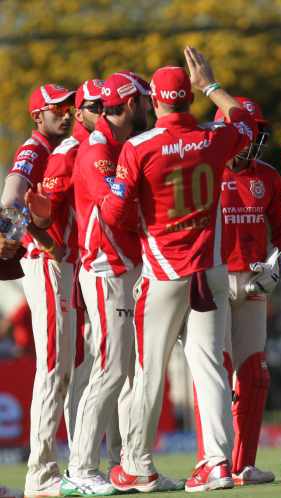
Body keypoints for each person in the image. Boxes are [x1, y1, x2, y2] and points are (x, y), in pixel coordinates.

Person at [100, 47, 257, 492]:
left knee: (150, 371)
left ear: (154, 99)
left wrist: (137, 220)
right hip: (209, 268)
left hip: (165, 271)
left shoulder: (138, 146)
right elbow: (244, 118)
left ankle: (138, 464)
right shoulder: (214, 137)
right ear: (189, 96)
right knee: (209, 367)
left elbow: (112, 214)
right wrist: (211, 82)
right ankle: (217, 464)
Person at [190, 97, 281, 486]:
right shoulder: (204, 171)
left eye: (258, 131)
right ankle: (209, 461)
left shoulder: (268, 176)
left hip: (253, 281)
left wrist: (275, 265)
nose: (254, 140)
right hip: (213, 280)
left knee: (255, 373)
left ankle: (242, 464)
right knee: (213, 372)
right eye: (248, 131)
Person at [64, 71, 152, 496]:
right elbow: (112, 209)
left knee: (133, 370)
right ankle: (80, 467)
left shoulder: (119, 145)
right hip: (104, 266)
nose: (149, 106)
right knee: (112, 367)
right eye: (143, 99)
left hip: (127, 264)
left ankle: (130, 465)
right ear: (130, 104)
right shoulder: (97, 149)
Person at [1, 82, 77, 498]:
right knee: (52, 367)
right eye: (56, 109)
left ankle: (68, 467)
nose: (65, 114)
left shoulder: (63, 148)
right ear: (38, 117)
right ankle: (41, 475)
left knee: (65, 366)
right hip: (42, 263)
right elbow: (12, 189)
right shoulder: (36, 148)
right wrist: (9, 230)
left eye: (69, 107)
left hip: (58, 262)